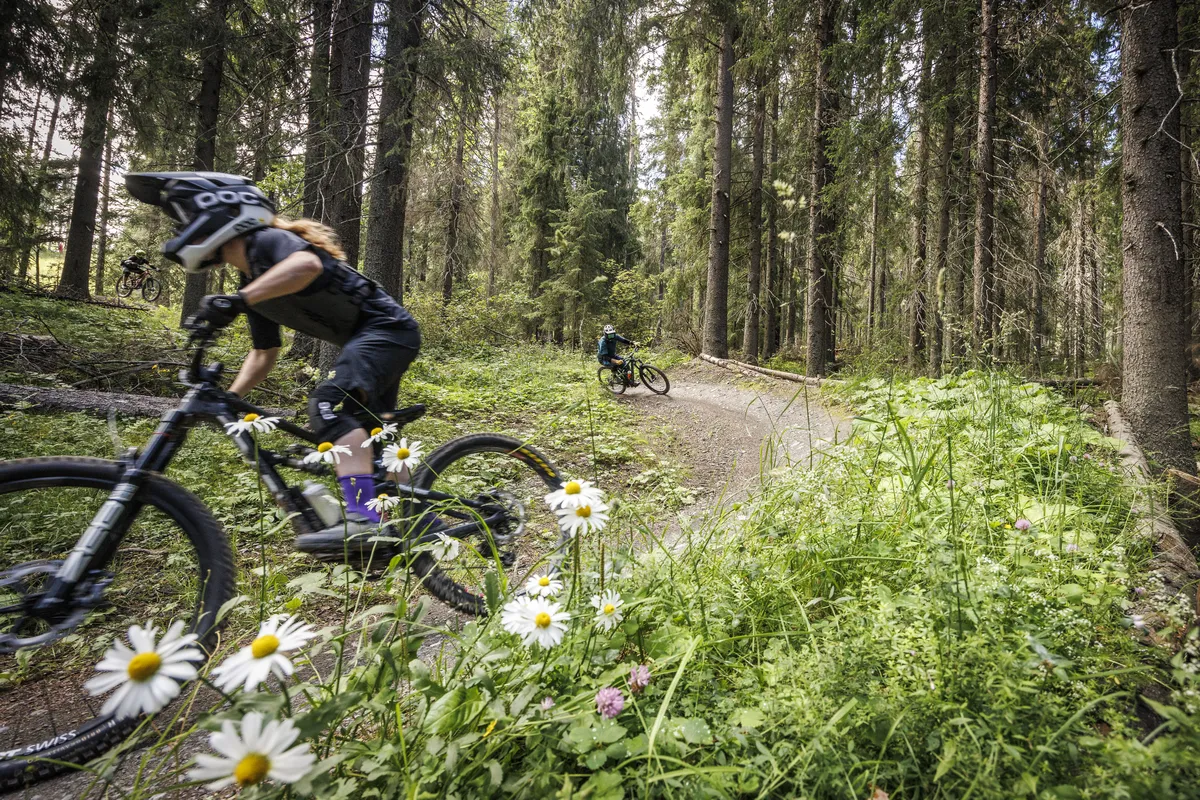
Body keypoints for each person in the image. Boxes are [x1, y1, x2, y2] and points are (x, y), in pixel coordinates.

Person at [124, 171, 421, 554]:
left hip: (388, 331)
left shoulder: (270, 242)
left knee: (327, 407)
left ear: (220, 212)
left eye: (186, 218)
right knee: (377, 437)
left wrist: (238, 301)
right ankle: (420, 518)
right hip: (375, 340)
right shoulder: (255, 282)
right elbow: (264, 353)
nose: (184, 229)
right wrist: (228, 397)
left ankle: (364, 519)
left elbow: (308, 266)